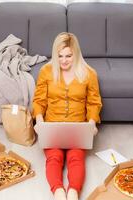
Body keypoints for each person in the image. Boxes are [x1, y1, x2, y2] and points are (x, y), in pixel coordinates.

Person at [32, 32, 102, 200]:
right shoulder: (46, 71)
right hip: (52, 126)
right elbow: (39, 100)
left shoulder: (89, 73)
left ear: (76, 54)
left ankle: (73, 193)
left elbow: (94, 102)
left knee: (76, 158)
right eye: (60, 56)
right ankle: (58, 192)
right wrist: (40, 122)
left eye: (69, 56)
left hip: (78, 127)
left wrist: (91, 123)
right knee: (54, 158)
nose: (64, 60)